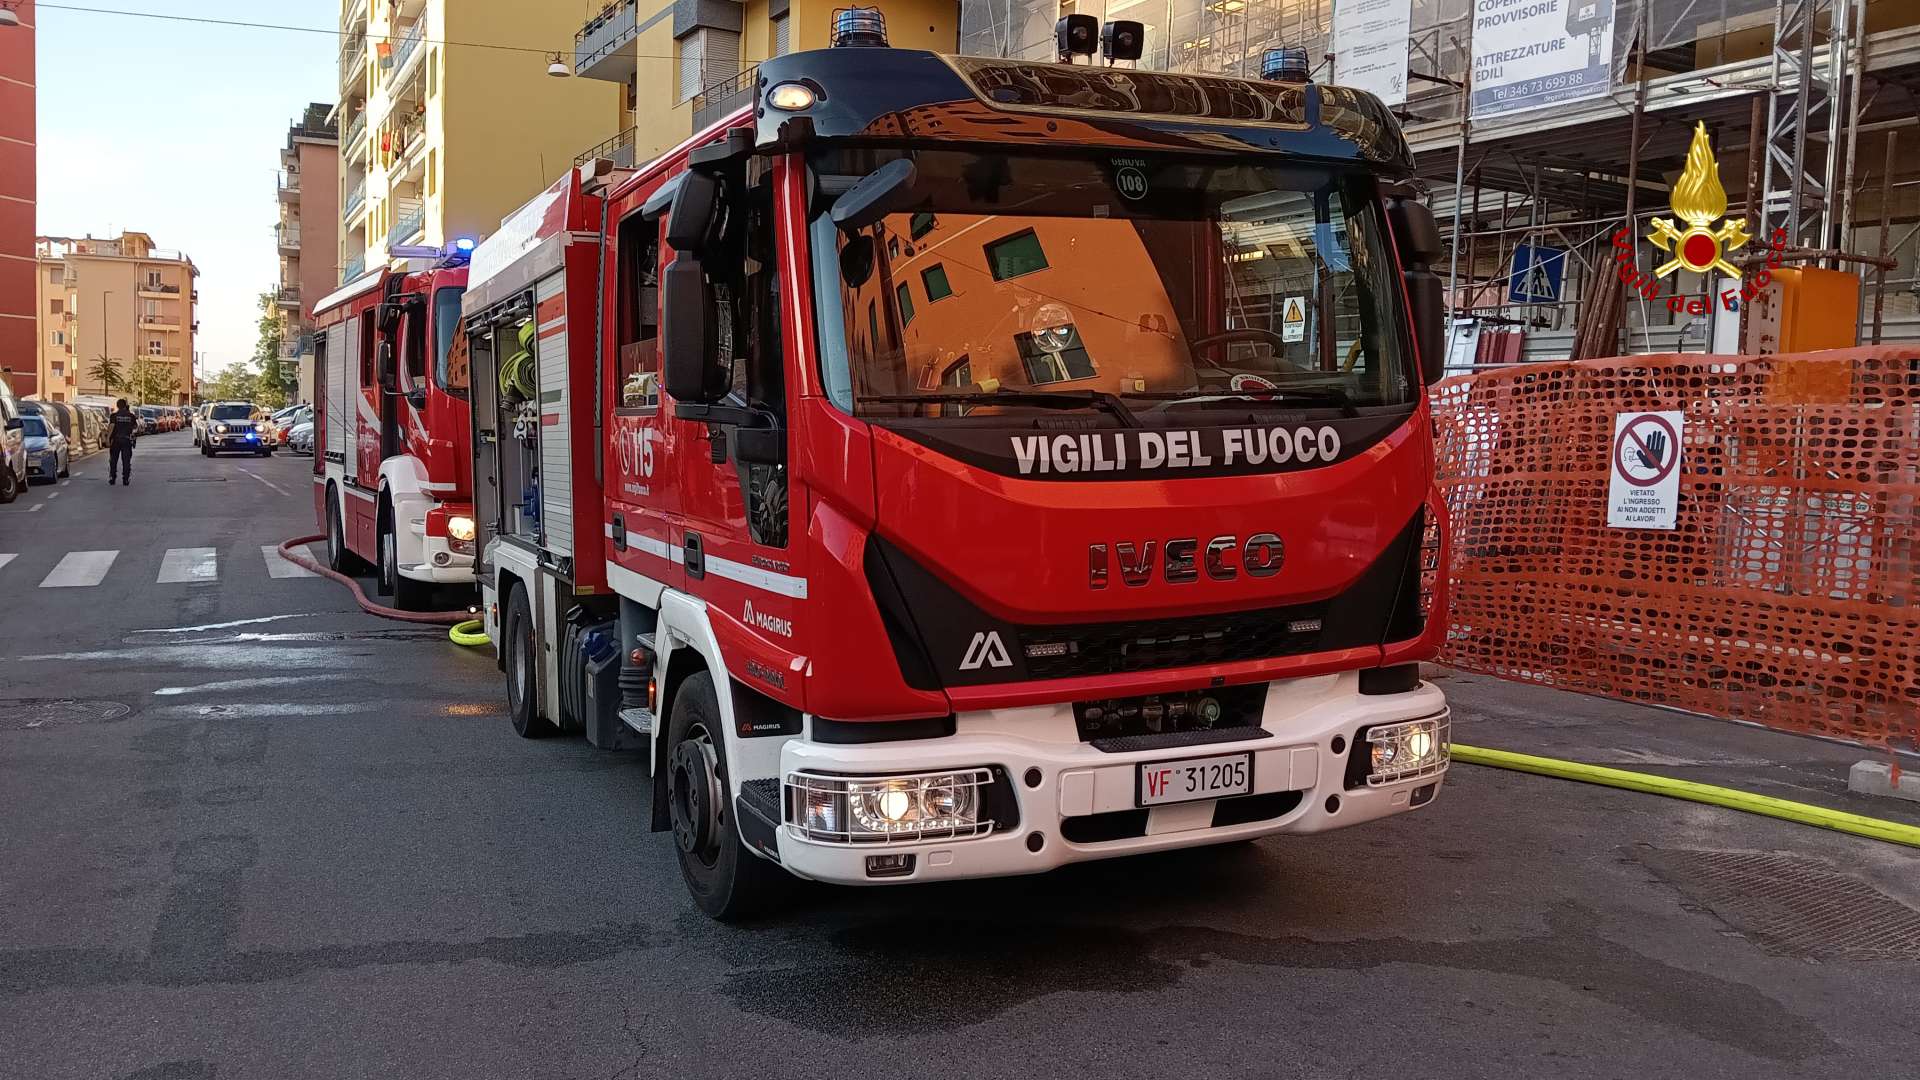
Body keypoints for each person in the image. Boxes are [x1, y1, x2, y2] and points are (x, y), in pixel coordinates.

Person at [107, 398, 138, 485]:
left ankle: (113, 478)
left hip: (116, 440)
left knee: (113, 460)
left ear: (117, 406)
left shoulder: (114, 416)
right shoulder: (131, 416)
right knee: (126, 460)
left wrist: (108, 438)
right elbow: (135, 427)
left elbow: (111, 426)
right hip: (126, 440)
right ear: (125, 406)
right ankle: (126, 479)